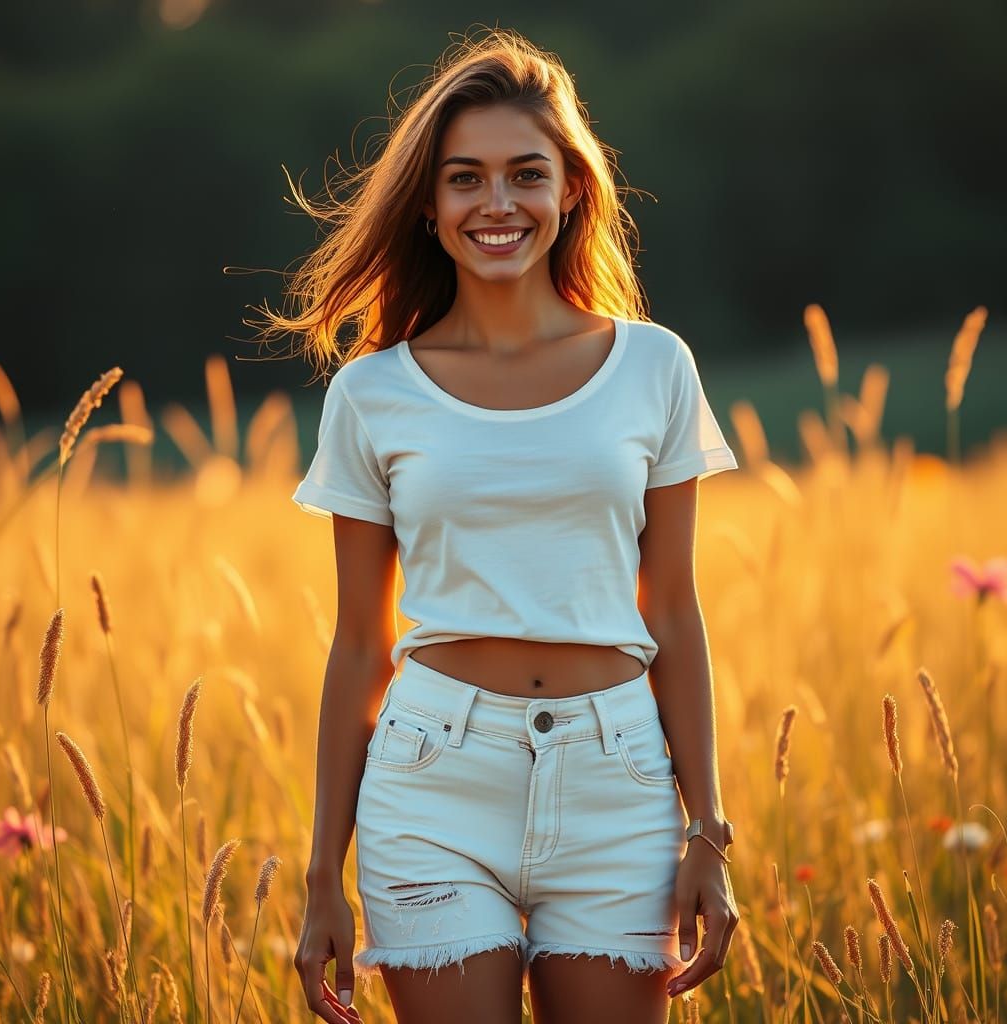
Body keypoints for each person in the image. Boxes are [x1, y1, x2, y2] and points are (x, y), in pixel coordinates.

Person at [279, 27, 741, 1024]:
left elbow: (674, 609)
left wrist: (707, 830)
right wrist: (325, 870)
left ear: (571, 189)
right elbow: (360, 643)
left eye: (524, 174)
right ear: (432, 207)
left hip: (616, 780)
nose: (497, 203)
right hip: (433, 782)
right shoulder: (372, 395)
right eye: (465, 179)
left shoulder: (654, 367)